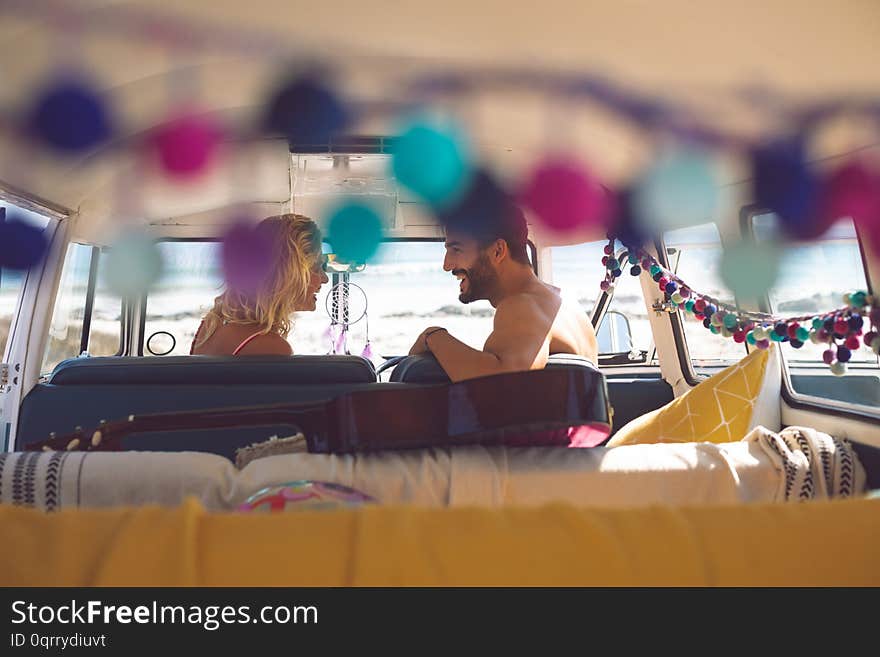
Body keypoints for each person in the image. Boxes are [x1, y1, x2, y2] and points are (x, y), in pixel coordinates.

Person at [409, 173, 598, 381]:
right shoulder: (568, 305)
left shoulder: (522, 306)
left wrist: (433, 336)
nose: (447, 265)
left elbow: (500, 385)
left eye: (456, 249)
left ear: (497, 251)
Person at [191, 214, 328, 356]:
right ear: (288, 275)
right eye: (317, 267)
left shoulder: (212, 324)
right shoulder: (271, 347)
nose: (325, 279)